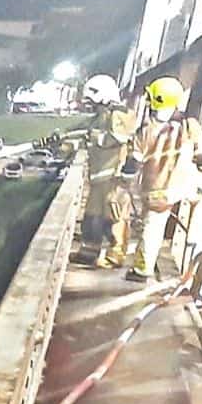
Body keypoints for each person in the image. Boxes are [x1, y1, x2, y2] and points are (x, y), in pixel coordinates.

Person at [125, 76, 202, 281]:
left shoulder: (147, 129)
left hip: (155, 190)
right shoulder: (191, 126)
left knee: (151, 229)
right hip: (181, 188)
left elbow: (133, 162)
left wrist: (124, 178)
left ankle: (142, 270)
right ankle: (195, 256)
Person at [72, 75, 138, 269]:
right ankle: (88, 253)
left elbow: (118, 137)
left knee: (114, 218)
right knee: (92, 217)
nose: (90, 104)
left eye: (92, 98)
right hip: (99, 176)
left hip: (113, 177)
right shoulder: (102, 114)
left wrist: (95, 137)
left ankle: (114, 256)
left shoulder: (120, 113)